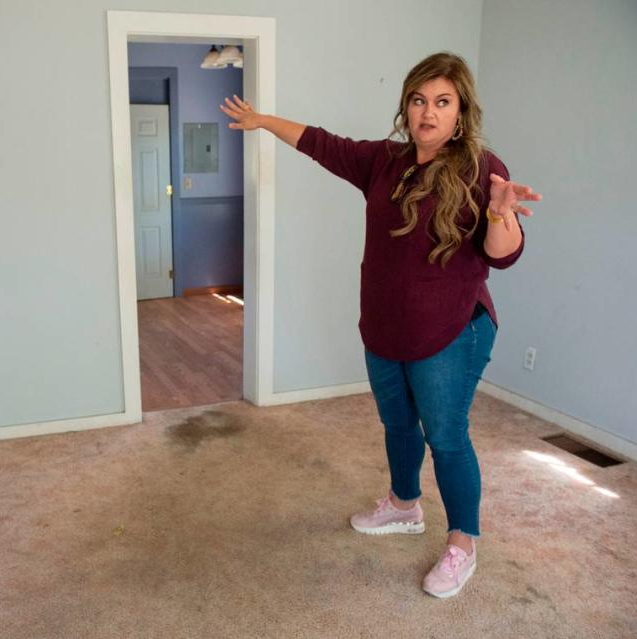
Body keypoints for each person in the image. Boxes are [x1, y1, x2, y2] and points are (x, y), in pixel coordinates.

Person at [220, 51, 541, 598]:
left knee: (446, 436)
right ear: (406, 107)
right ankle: (403, 505)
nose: (428, 112)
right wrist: (261, 120)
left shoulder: (484, 169)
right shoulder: (384, 163)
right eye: (418, 100)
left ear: (460, 111)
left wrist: (498, 214)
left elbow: (502, 255)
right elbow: (322, 143)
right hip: (385, 329)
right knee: (397, 426)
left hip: (451, 331)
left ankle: (463, 545)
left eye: (442, 102)